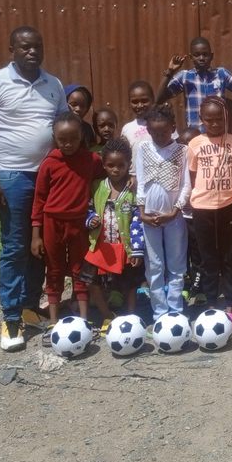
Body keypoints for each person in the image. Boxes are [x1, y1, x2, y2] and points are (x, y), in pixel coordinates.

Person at [0, 25, 69, 350]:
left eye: (37, 46)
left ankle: (29, 307)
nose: (32, 52)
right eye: (25, 47)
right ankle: (11, 318)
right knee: (15, 247)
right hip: (12, 177)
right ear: (11, 48)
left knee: (42, 246)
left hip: (49, 177)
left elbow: (63, 128)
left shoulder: (53, 84)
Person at [30, 113, 106, 326]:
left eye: (73, 139)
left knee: (79, 269)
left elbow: (108, 176)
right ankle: (54, 321)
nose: (68, 144)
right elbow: (39, 200)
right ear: (54, 138)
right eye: (62, 140)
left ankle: (83, 319)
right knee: (53, 270)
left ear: (81, 136)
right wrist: (36, 235)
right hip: (52, 223)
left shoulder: (91, 160)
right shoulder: (50, 163)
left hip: (79, 223)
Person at [187, 97, 232, 328]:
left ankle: (230, 305)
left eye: (219, 119)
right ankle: (211, 304)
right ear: (201, 119)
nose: (214, 124)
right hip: (202, 208)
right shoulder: (195, 144)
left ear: (226, 118)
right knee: (208, 258)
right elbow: (193, 176)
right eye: (209, 120)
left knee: (230, 258)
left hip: (230, 207)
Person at [82, 137, 144, 328]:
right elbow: (89, 208)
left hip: (124, 245)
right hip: (101, 244)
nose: (115, 169)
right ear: (104, 165)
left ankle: (131, 316)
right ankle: (107, 315)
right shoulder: (97, 186)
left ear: (128, 165)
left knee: (130, 282)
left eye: (120, 165)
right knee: (91, 280)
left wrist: (137, 248)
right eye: (110, 165)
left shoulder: (133, 189)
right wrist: (91, 219)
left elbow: (138, 218)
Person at [135, 107, 190, 319]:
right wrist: (142, 212)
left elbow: (186, 185)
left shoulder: (182, 151)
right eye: (155, 132)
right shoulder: (143, 149)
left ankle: (175, 310)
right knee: (155, 265)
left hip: (174, 217)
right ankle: (159, 312)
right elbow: (141, 183)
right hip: (149, 217)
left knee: (176, 264)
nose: (159, 136)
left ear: (173, 128)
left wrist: (175, 210)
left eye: (164, 132)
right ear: (148, 130)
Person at [156, 36, 232, 129]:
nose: (201, 58)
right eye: (197, 55)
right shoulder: (185, 76)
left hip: (218, 130)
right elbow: (159, 99)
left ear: (211, 56)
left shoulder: (221, 74)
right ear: (191, 57)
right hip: (195, 132)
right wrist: (170, 72)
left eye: (205, 54)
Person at [176, 127, 203, 303]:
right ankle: (185, 286)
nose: (187, 147)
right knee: (181, 254)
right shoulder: (175, 167)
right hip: (179, 217)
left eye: (191, 143)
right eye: (183, 143)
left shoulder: (204, 166)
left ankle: (200, 287)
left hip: (199, 216)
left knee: (199, 253)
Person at [64, 84, 97, 148]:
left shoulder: (88, 129)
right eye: (73, 104)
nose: (78, 109)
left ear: (87, 109)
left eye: (83, 106)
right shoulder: (58, 127)